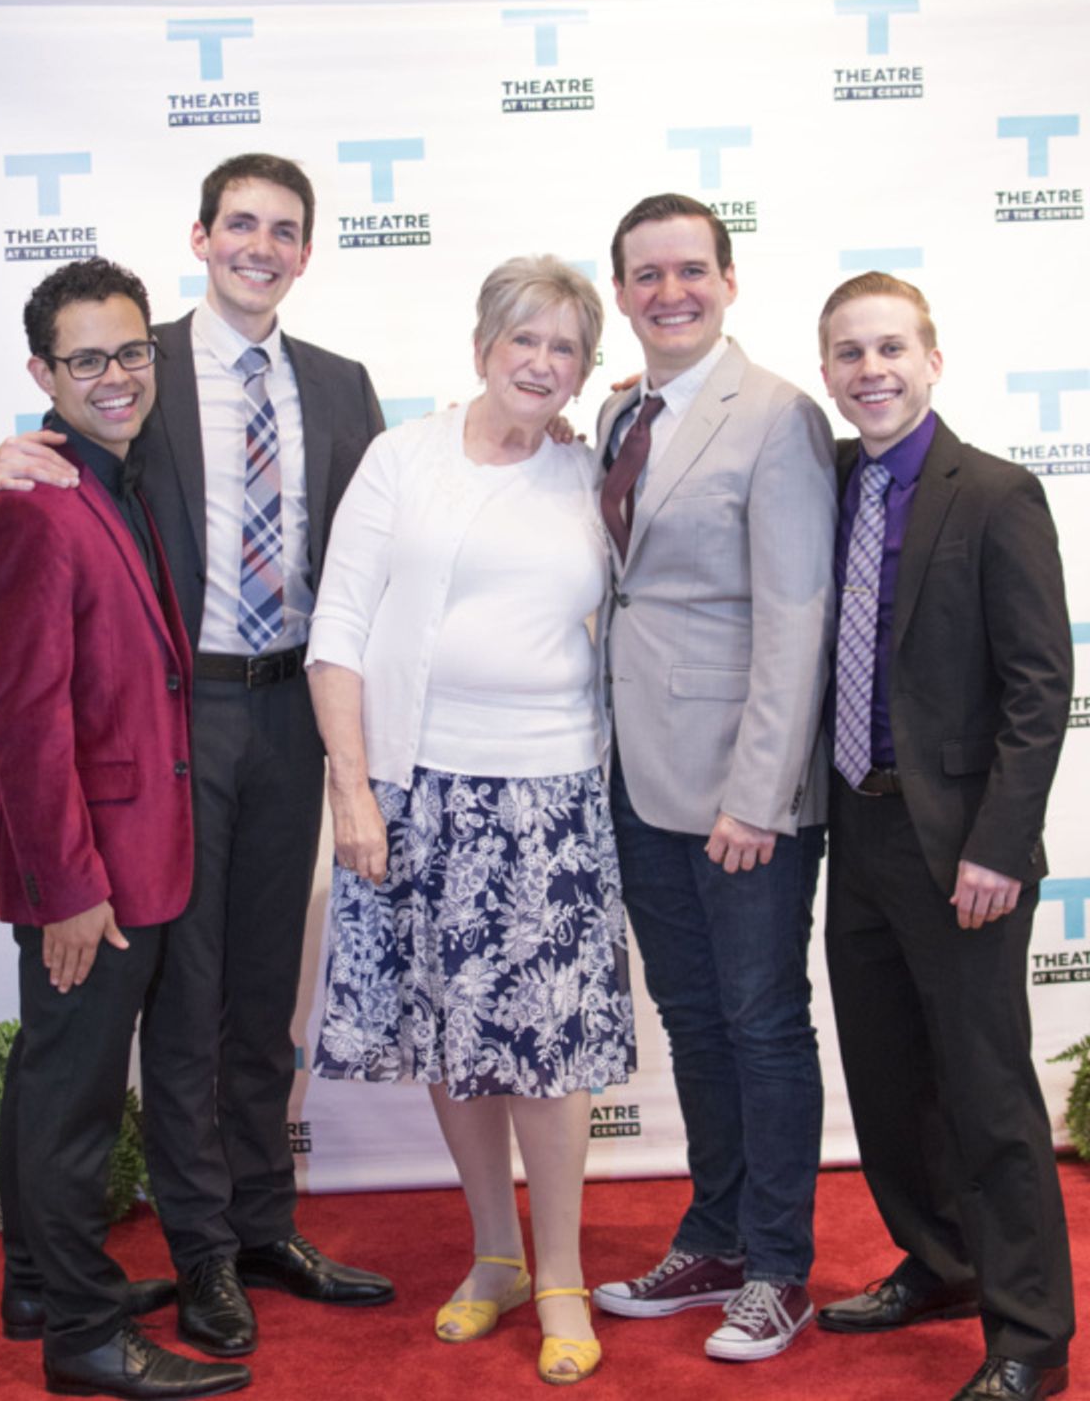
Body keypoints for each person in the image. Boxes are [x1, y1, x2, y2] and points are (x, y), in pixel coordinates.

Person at [0, 154, 392, 1360]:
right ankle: (201, 1251)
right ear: (201, 236)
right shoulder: (130, 360)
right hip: (173, 719)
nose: (261, 245)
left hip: (292, 713)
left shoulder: (344, 386)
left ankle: (262, 1224)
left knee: (263, 994)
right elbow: (35, 503)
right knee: (187, 1000)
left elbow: (386, 537)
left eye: (286, 229)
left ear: (307, 251)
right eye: (240, 223)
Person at [305, 255, 635, 1386]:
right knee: (455, 1033)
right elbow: (339, 626)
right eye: (524, 341)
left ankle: (558, 1270)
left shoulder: (590, 474)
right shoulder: (402, 458)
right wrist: (353, 786)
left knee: (545, 1049)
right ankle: (491, 1251)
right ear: (483, 345)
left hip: (549, 791)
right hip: (415, 786)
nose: (542, 364)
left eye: (566, 349)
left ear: (585, 369)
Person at [0, 258, 250, 1399]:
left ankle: (36, 1278)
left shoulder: (116, 479)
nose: (118, 375)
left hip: (141, 850)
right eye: (88, 359)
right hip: (85, 869)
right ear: (44, 372)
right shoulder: (32, 504)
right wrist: (71, 885)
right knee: (76, 1098)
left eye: (133, 351)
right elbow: (22, 723)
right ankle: (81, 1334)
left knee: (53, 1077)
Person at [814, 272, 1075, 1401]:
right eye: (847, 353)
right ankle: (942, 1258)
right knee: (885, 1078)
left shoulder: (998, 493)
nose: (870, 370)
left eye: (890, 349)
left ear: (932, 359)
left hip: (964, 848)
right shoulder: (823, 480)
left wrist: (1000, 845)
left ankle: (1030, 1336)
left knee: (986, 1093)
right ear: (826, 371)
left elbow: (1039, 684)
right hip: (853, 831)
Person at [590, 194, 837, 1362]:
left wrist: (762, 790)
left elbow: (796, 612)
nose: (669, 291)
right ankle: (718, 1233)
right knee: (692, 1020)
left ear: (729, 281)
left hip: (743, 788)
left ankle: (780, 1265)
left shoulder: (777, 414)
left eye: (691, 269)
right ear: (622, 291)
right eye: (646, 274)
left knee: (762, 1021)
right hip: (637, 777)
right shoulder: (614, 409)